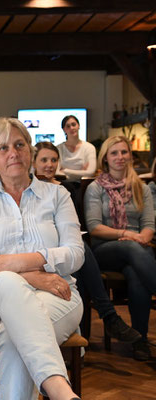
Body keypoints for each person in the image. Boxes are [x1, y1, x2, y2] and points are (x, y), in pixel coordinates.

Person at [0, 117, 84, 400]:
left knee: (14, 334)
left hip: (58, 293)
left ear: (30, 151)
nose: (13, 153)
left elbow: (76, 254)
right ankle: (60, 390)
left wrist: (12, 263)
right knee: (9, 286)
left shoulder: (57, 195)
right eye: (3, 148)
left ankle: (56, 389)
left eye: (19, 144)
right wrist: (31, 275)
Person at [33, 141, 141, 346]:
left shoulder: (64, 189)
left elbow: (71, 225)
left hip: (64, 245)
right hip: (39, 246)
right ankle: (108, 315)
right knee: (80, 249)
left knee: (79, 256)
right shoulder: (28, 188)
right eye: (44, 160)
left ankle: (81, 343)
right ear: (33, 162)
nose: (49, 164)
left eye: (54, 160)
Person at [84, 135, 156, 361]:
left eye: (124, 152)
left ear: (130, 156)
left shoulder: (141, 188)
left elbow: (149, 226)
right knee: (135, 250)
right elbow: (95, 228)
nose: (120, 157)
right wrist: (127, 235)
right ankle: (140, 340)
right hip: (106, 250)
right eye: (114, 153)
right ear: (105, 158)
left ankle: (139, 340)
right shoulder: (95, 188)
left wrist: (141, 237)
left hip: (138, 248)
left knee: (136, 274)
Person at [57, 115, 96, 181]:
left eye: (73, 124)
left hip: (83, 185)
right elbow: (56, 173)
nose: (71, 128)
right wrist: (82, 173)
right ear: (64, 129)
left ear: (79, 126)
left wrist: (66, 171)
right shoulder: (58, 149)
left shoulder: (89, 148)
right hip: (63, 185)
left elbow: (91, 172)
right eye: (68, 126)